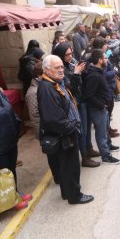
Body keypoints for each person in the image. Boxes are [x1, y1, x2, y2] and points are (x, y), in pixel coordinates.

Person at [37, 55, 93, 204]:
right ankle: (75, 196)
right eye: (57, 68)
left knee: (67, 166)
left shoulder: (54, 82)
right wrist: (72, 127)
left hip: (66, 132)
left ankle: (67, 193)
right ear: (47, 70)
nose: (61, 70)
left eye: (62, 67)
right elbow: (52, 118)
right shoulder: (46, 88)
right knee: (71, 167)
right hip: (65, 134)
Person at [0, 68, 32, 210]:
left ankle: (15, 193)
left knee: (10, 170)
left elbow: (9, 110)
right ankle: (11, 201)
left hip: (9, 141)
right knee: (4, 173)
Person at [25, 62, 43, 140]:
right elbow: (35, 116)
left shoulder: (42, 85)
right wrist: (42, 135)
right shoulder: (33, 92)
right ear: (39, 75)